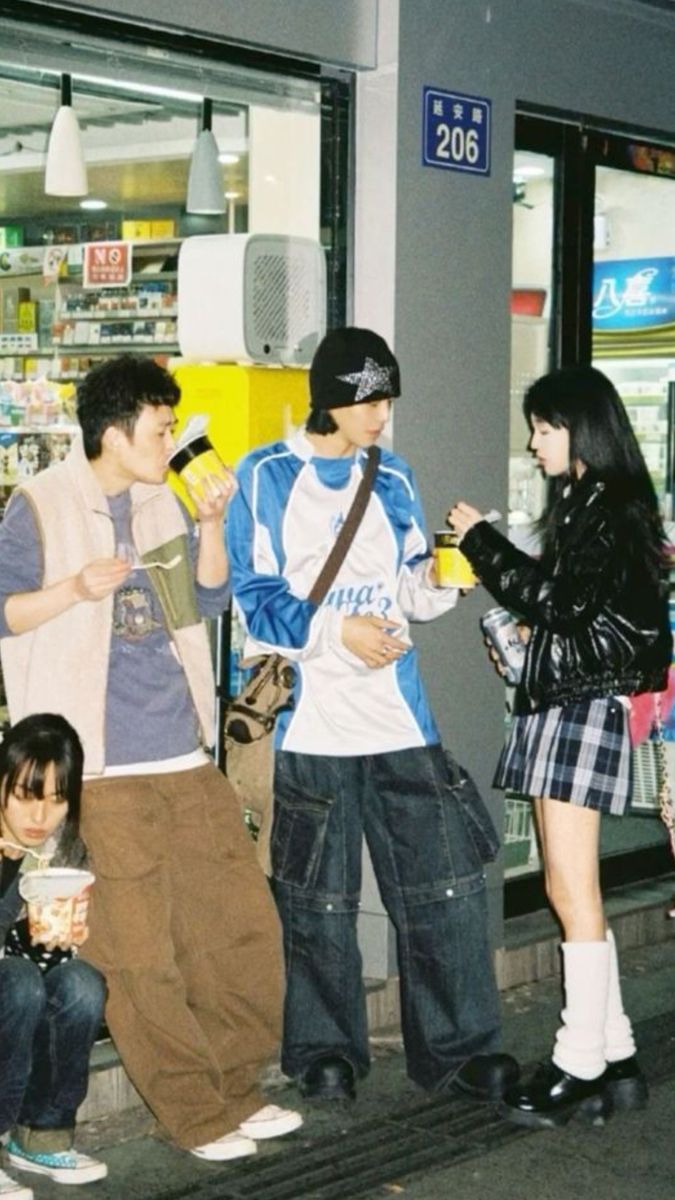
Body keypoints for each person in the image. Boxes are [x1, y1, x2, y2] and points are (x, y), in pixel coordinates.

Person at [0, 355, 300, 1162]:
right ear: (115, 430)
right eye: (160, 427)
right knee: (140, 959)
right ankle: (195, 1114)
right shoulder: (39, 506)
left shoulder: (160, 499)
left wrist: (208, 523)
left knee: (236, 927)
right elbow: (5, 613)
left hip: (184, 753)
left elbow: (202, 601)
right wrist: (74, 589)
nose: (171, 438)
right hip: (101, 768)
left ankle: (237, 1089)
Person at [227, 326, 518, 1104]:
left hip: (399, 719)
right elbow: (254, 603)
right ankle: (324, 1051)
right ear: (330, 398)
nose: (381, 415)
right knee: (315, 899)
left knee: (444, 891)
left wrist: (450, 572)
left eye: (386, 399)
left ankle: (460, 1050)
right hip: (308, 723)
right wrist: (336, 633)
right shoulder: (265, 475)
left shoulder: (392, 477)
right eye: (369, 400)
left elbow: (407, 591)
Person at [449, 364, 672, 1129]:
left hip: (577, 710)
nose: (533, 440)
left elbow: (561, 603)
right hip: (575, 704)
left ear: (579, 428)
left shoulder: (602, 506)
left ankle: (578, 1060)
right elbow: (575, 609)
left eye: (543, 426)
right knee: (572, 889)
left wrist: (481, 540)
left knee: (569, 890)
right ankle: (616, 1055)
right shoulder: (600, 501)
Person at [0, 713, 107, 1198]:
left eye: (56, 800)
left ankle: (42, 1135)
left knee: (82, 983)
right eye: (25, 796)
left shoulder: (65, 850)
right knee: (19, 982)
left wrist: (60, 938)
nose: (40, 818)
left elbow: (36, 954)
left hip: (15, 983)